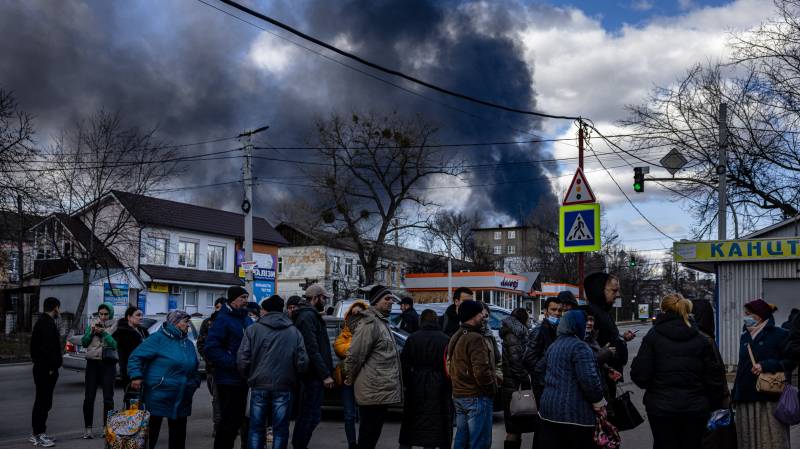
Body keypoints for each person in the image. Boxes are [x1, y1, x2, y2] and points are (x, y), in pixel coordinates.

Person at [630, 294, 726, 449]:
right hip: (695, 408)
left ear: (663, 309)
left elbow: (641, 376)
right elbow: (713, 379)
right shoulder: (701, 339)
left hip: (660, 408)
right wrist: (712, 404)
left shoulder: (653, 337)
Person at [238, 295, 308, 449]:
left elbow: (242, 359)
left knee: (256, 428)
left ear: (266, 310)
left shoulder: (253, 329)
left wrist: (249, 376)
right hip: (285, 385)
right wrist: (294, 377)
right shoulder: (293, 331)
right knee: (280, 430)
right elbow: (302, 362)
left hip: (259, 384)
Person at [127, 310, 200, 449]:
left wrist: (194, 382)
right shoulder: (157, 339)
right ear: (175, 323)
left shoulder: (188, 343)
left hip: (182, 396)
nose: (188, 325)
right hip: (158, 395)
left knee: (178, 437)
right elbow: (135, 357)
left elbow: (195, 367)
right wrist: (136, 376)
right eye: (186, 322)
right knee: (149, 436)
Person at [344, 285, 402, 449]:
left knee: (371, 436)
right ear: (376, 301)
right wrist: (350, 378)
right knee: (368, 437)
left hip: (379, 391)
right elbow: (355, 355)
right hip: (372, 390)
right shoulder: (370, 323)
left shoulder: (381, 321)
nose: (391, 302)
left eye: (391, 299)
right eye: (387, 298)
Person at [537, 310, 606, 449]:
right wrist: (599, 403)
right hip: (575, 416)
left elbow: (539, 369)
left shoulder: (554, 345)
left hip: (548, 412)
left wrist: (552, 386)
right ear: (577, 325)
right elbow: (589, 380)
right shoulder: (580, 346)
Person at [732, 299, 792, 449]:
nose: (745, 317)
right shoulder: (744, 336)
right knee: (747, 440)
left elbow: (790, 361)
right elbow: (742, 366)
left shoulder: (780, 334)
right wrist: (735, 393)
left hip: (769, 396)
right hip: (745, 396)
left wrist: (766, 365)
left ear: (759, 315)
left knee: (771, 440)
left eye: (748, 314)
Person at [204, 286, 254, 449]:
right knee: (228, 422)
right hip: (228, 378)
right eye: (242, 297)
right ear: (232, 300)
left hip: (243, 378)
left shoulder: (245, 318)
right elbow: (211, 348)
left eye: (246, 297)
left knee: (238, 420)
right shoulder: (223, 319)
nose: (246, 300)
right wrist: (234, 363)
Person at [399, 309, 452, 449]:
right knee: (436, 422)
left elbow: (404, 363)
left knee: (411, 420)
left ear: (421, 320)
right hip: (439, 384)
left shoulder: (413, 338)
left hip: (416, 383)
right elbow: (449, 365)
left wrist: (408, 381)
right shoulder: (445, 339)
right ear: (436, 320)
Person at [447, 300, 496, 449]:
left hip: (460, 395)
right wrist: (492, 388)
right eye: (480, 313)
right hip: (476, 396)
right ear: (473, 315)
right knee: (479, 442)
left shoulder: (458, 334)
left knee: (462, 440)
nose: (484, 316)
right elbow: (481, 371)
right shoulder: (475, 338)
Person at [291, 284, 335, 449]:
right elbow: (312, 349)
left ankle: (299, 444)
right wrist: (325, 374)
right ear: (315, 298)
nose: (325, 301)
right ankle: (299, 445)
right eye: (323, 298)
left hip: (313, 374)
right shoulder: (307, 317)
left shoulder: (309, 315)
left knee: (310, 415)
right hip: (312, 375)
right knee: (310, 415)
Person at [583, 272, 635, 397]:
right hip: (600, 380)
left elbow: (607, 338)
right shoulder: (590, 314)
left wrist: (622, 338)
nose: (617, 295)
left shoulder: (603, 312)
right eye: (614, 290)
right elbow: (586, 349)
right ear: (599, 290)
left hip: (609, 377)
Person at [333, 301, 368, 449]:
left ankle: (364, 443)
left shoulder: (369, 331)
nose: (356, 317)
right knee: (349, 415)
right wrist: (356, 346)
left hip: (364, 379)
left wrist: (354, 349)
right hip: (347, 379)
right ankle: (352, 444)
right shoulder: (345, 332)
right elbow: (339, 348)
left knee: (365, 415)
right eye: (353, 314)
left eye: (359, 314)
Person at [81, 302, 118, 439]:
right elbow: (84, 343)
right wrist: (91, 333)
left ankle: (106, 428)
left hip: (108, 364)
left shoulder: (115, 325)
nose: (102, 317)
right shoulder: (92, 324)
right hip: (92, 364)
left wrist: (104, 333)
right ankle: (88, 429)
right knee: (89, 398)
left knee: (108, 398)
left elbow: (115, 345)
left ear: (111, 314)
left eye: (106, 314)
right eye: (100, 314)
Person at [29, 297, 62, 448]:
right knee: (43, 402)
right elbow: (48, 349)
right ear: (55, 307)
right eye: (58, 308)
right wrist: (50, 368)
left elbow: (34, 348)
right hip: (45, 370)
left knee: (42, 401)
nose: (59, 311)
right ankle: (39, 435)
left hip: (42, 367)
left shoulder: (42, 322)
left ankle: (38, 433)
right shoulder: (47, 324)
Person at [499, 308, 532, 449]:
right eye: (528, 318)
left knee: (516, 428)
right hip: (514, 387)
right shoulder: (513, 336)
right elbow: (516, 362)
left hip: (512, 385)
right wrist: (527, 380)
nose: (530, 321)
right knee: (513, 429)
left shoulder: (514, 334)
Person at [524, 296, 562, 403]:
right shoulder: (539, 330)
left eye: (560, 310)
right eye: (553, 310)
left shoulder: (558, 330)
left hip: (554, 381)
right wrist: (541, 377)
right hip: (543, 384)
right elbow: (528, 359)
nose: (557, 313)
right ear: (545, 311)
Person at [198, 297, 225, 437]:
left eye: (223, 307)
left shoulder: (230, 322)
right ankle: (218, 425)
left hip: (228, 368)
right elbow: (201, 344)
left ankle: (223, 426)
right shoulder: (208, 323)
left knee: (224, 398)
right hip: (213, 368)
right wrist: (210, 360)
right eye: (218, 307)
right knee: (217, 398)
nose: (220, 310)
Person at [113, 306, 149, 387]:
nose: (141, 317)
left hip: (144, 368)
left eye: (142, 315)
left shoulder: (143, 330)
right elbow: (125, 353)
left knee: (143, 397)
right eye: (138, 315)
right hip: (129, 370)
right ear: (129, 317)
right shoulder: (121, 332)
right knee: (132, 397)